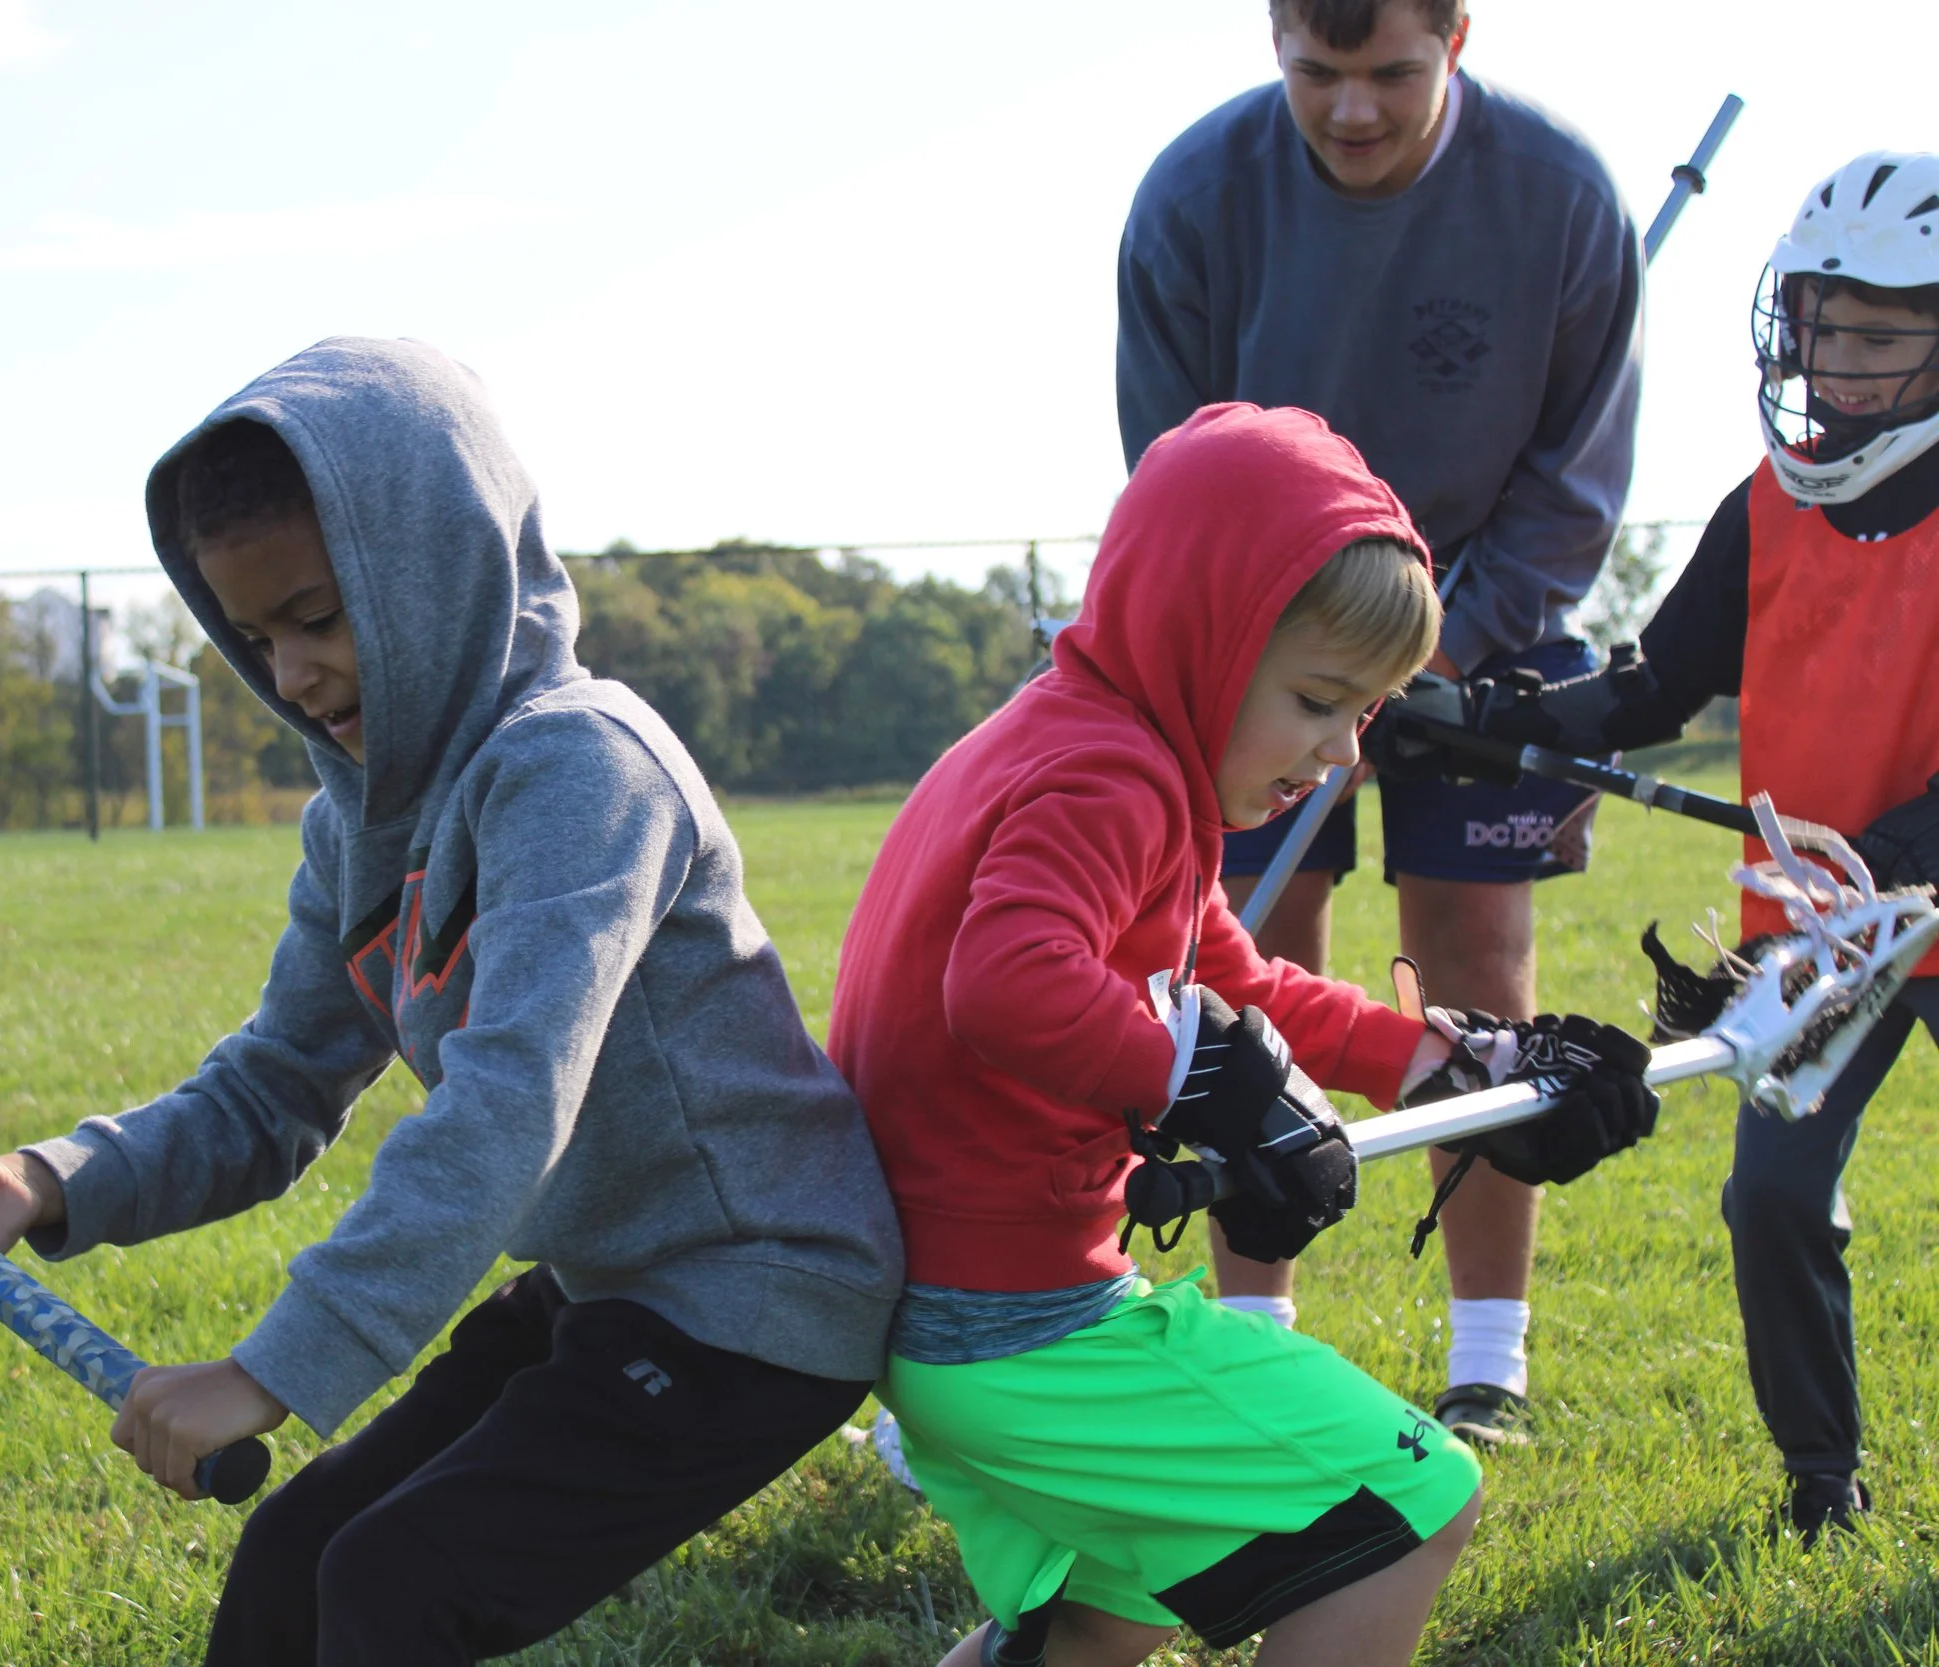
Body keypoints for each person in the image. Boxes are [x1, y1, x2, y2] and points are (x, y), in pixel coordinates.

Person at [0, 336, 906, 1664]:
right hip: (613, 1286)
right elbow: (273, 1086)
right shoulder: (362, 821)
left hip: (759, 1299)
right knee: (302, 1548)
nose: (289, 675)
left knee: (400, 1582)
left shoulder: (587, 768)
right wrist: (45, 1178)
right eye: (255, 636)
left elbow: (506, 1106)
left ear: (439, 563)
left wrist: (270, 1368)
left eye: (317, 615)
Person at [830, 403, 1657, 1666]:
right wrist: (1196, 1072)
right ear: (1199, 636)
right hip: (1011, 1326)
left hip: (954, 1315)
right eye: (1319, 699)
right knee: (1415, 1502)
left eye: (1368, 712)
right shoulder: (1105, 776)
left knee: (1106, 1617)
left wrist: (1443, 1059)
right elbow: (1003, 978)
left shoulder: (1102, 746)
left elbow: (1235, 976)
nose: (1339, 753)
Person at [1113, 0, 1645, 1444]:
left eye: (1392, 74)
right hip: (1262, 639)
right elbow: (1179, 470)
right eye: (1318, 75)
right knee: (1249, 963)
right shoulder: (1193, 198)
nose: (1354, 112)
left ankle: (1491, 1358)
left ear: (1458, 39)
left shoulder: (1565, 197)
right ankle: (1254, 1335)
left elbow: (1578, 476)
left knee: (1472, 959)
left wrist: (1440, 648)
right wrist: (1321, 660)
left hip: (1488, 639)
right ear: (1276, 38)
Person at [1453, 151, 1939, 1541]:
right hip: (1820, 933)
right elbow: (1657, 680)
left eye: (1884, 333)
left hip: (1910, 896)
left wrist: (1891, 853)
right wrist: (1491, 718)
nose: (1842, 365)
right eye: (1826, 327)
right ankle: (1820, 1480)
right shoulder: (1769, 505)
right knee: (1773, 1194)